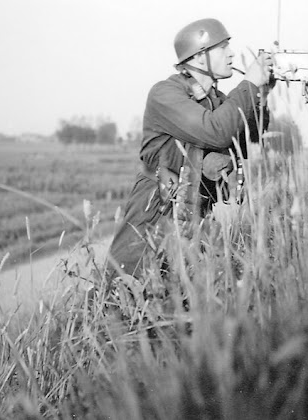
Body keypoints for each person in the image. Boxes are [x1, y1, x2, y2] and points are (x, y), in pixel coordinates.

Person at [108, 18, 273, 278]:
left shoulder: (216, 101)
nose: (231, 53)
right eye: (223, 48)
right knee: (127, 291)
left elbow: (248, 142)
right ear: (198, 58)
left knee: (184, 301)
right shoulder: (165, 94)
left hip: (195, 216)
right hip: (155, 213)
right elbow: (215, 132)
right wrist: (249, 84)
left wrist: (260, 95)